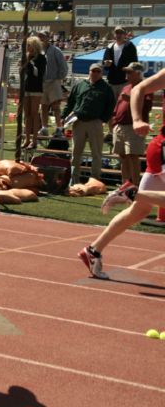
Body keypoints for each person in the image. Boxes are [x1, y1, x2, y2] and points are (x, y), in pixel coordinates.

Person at [78, 68, 165, 279]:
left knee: (140, 211)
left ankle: (93, 250)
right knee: (141, 203)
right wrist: (136, 120)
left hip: (158, 147)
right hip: (163, 147)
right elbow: (139, 89)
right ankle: (131, 192)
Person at [62, 63, 115, 185]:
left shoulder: (106, 88)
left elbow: (111, 105)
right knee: (76, 153)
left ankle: (95, 179)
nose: (95, 73)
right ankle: (74, 179)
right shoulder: (80, 85)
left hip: (95, 122)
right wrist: (64, 116)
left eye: (98, 71)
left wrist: (102, 120)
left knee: (96, 153)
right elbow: (71, 102)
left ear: (101, 73)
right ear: (89, 72)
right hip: (78, 121)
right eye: (93, 71)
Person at [109, 62, 152, 185]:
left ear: (138, 74)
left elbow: (147, 107)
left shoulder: (145, 87)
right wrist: (114, 119)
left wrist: (131, 99)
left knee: (133, 156)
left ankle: (135, 185)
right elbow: (118, 105)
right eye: (126, 72)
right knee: (122, 156)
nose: (126, 75)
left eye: (130, 72)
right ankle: (125, 184)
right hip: (120, 125)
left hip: (133, 127)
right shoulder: (126, 87)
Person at [38, 31, 68, 137]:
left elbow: (63, 66)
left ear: (48, 38)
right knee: (43, 106)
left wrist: (58, 78)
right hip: (41, 83)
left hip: (53, 81)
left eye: (43, 36)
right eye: (39, 36)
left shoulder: (56, 50)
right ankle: (44, 128)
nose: (41, 38)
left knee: (56, 106)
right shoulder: (38, 50)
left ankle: (59, 128)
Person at [21, 36, 46, 150]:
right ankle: (26, 139)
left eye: (29, 45)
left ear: (35, 45)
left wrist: (29, 63)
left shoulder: (41, 58)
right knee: (27, 115)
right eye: (27, 45)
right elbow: (23, 71)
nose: (27, 47)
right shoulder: (25, 57)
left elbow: (38, 73)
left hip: (36, 88)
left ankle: (34, 140)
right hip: (26, 87)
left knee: (34, 113)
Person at [102, 26, 138, 99]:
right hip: (111, 82)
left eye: (121, 33)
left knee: (123, 106)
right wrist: (106, 64)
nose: (119, 35)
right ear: (114, 35)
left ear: (125, 34)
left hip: (125, 82)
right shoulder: (109, 47)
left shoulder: (130, 46)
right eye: (117, 33)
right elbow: (104, 63)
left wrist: (128, 69)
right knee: (111, 106)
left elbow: (135, 63)